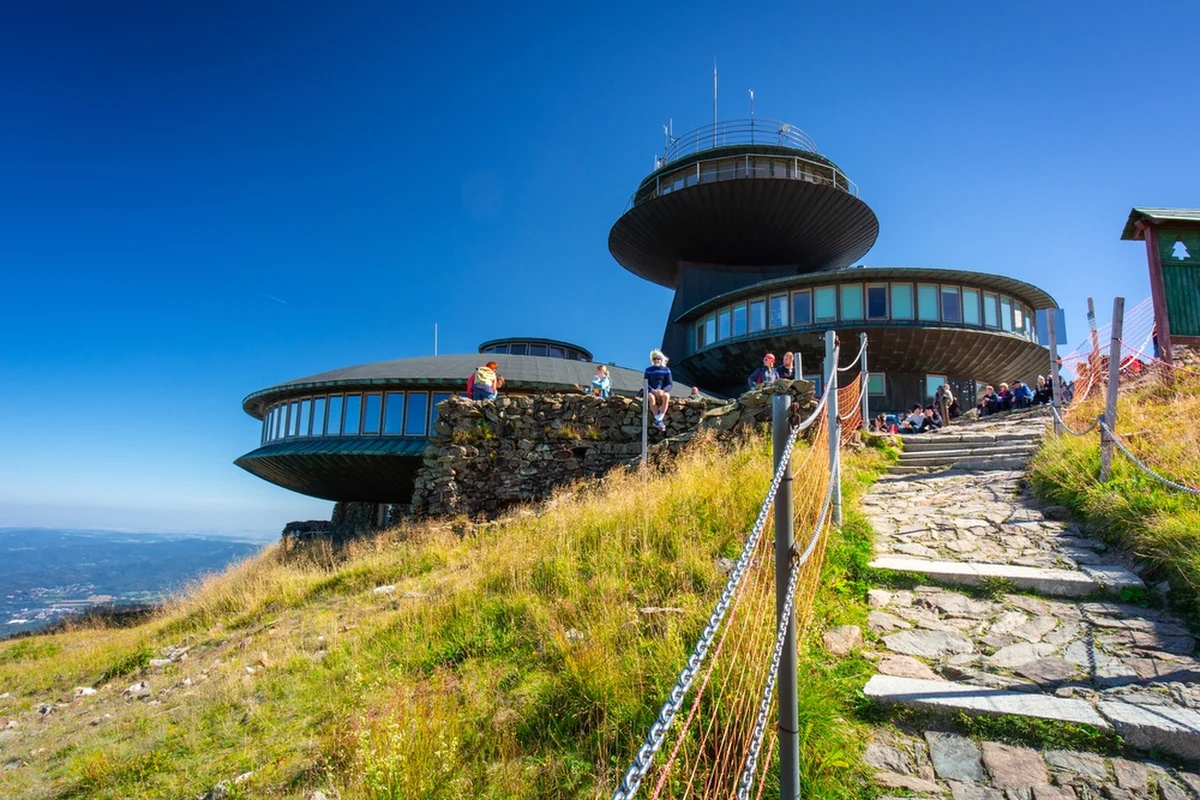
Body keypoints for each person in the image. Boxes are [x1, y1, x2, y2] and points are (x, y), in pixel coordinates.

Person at [643, 350, 673, 431]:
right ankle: (659, 421)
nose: (656, 360)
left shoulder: (666, 370)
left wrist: (663, 391)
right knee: (650, 397)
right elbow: (645, 383)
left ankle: (658, 420)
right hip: (652, 391)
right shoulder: (648, 370)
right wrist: (653, 390)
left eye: (658, 358)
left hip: (662, 391)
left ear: (661, 359)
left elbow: (670, 384)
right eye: (654, 358)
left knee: (667, 396)